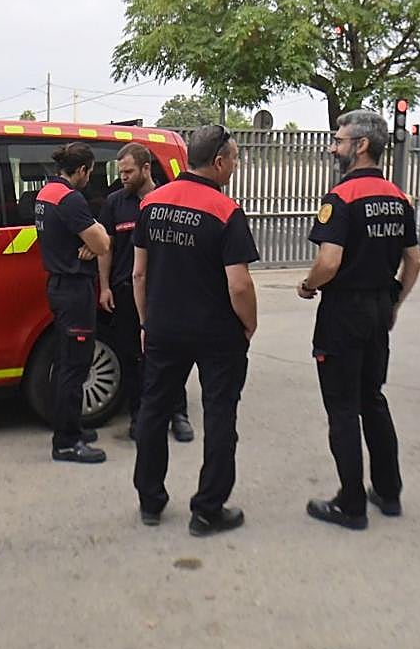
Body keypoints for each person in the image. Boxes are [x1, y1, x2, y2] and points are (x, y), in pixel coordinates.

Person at [298, 110, 420, 531]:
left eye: (339, 140)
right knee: (373, 399)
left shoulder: (341, 198)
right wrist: (395, 304)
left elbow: (328, 262)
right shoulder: (398, 197)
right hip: (377, 309)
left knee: (343, 409)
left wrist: (308, 284)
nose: (334, 147)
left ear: (361, 145)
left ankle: (350, 503)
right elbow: (415, 261)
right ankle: (388, 492)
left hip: (343, 313)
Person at [131, 125, 258, 535]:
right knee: (220, 415)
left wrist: (146, 321)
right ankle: (207, 510)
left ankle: (150, 500)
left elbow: (138, 274)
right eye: (235, 160)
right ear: (219, 162)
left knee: (153, 411)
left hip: (164, 326)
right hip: (217, 333)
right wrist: (249, 325)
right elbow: (239, 284)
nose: (235, 167)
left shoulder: (152, 203)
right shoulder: (225, 211)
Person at [97, 142, 193, 442]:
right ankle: (140, 416)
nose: (123, 177)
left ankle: (178, 413)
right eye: (120, 172)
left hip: (165, 292)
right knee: (133, 357)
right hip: (125, 292)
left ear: (146, 168)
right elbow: (106, 249)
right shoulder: (115, 203)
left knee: (171, 355)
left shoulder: (169, 199)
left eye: (128, 171)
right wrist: (104, 287)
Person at [35, 141, 112, 463]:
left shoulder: (45, 194)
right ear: (81, 170)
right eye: (89, 172)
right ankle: (66, 442)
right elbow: (103, 243)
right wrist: (93, 242)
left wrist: (88, 242)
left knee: (68, 360)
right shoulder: (71, 199)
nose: (88, 178)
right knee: (75, 366)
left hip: (58, 285)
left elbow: (89, 240)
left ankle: (71, 426)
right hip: (74, 289)